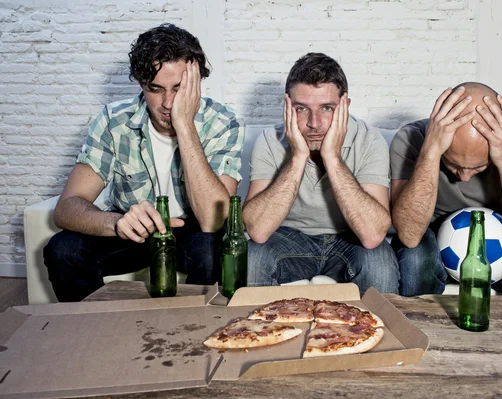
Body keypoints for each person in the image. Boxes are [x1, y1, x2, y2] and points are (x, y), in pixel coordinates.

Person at [44, 24, 245, 302]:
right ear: (141, 83)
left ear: (196, 83)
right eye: (155, 88)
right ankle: (94, 330)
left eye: (179, 88)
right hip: (135, 228)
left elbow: (213, 219)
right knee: (62, 250)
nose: (168, 102)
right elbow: (66, 208)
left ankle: (191, 333)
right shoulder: (114, 120)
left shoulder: (223, 122)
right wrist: (117, 223)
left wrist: (184, 125)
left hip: (194, 229)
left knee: (210, 250)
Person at [390, 82, 502, 296]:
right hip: (430, 236)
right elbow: (409, 235)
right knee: (415, 259)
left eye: (478, 167)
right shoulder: (411, 139)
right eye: (453, 164)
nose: (463, 177)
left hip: (501, 240)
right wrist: (432, 151)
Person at [243, 53, 400, 293]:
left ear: (345, 106)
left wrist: (332, 158)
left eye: (327, 108)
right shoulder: (269, 142)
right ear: (287, 106)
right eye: (301, 109)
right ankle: (257, 331)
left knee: (378, 261)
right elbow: (258, 231)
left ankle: (379, 330)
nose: (314, 123)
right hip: (287, 238)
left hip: (349, 239)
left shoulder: (369, 140)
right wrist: (297, 156)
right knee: (253, 256)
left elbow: (372, 235)